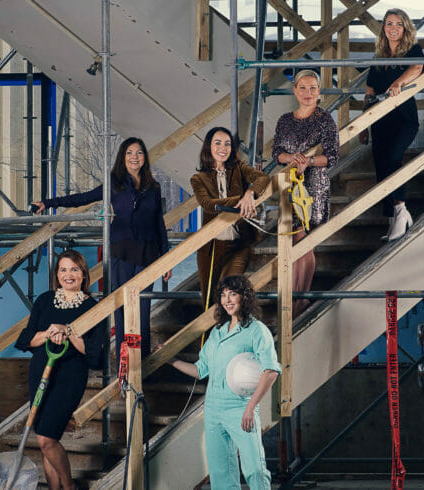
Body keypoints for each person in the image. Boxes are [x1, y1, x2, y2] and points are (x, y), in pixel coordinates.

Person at [32, 137, 171, 361]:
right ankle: (123, 367)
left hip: (147, 255)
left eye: (139, 153)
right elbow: (83, 198)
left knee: (142, 311)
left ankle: (142, 365)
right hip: (120, 253)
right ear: (122, 157)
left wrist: (166, 260)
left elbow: (159, 225)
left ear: (145, 158)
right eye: (129, 153)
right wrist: (49, 203)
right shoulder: (114, 183)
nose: (134, 157)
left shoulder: (153, 188)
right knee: (123, 309)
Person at [165, 275, 281, 489]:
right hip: (214, 409)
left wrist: (251, 406)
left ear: (244, 298)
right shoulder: (217, 332)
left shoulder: (257, 331)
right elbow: (200, 370)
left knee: (255, 469)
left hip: (241, 407)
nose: (227, 300)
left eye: (233, 294)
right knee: (221, 474)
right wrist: (171, 360)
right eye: (223, 295)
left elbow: (271, 371)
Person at [14, 250, 107, 490]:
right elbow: (26, 340)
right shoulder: (44, 301)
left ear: (83, 275)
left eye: (74, 269)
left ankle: (69, 487)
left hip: (69, 377)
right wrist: (47, 333)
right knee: (47, 439)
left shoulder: (92, 308)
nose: (69, 275)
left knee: (46, 439)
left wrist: (69, 332)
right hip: (40, 373)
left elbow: (94, 353)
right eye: (63, 269)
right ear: (57, 274)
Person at [272, 69, 339, 318]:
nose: (308, 93)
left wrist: (308, 161)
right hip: (290, 185)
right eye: (303, 87)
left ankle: (301, 298)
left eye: (313, 88)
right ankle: (294, 297)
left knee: (304, 241)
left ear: (319, 92)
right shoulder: (284, 120)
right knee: (292, 240)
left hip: (314, 186)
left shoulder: (325, 120)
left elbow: (332, 156)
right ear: (295, 90)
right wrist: (291, 158)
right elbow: (276, 152)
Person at [360, 8, 424, 241]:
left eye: (398, 24)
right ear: (383, 28)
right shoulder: (378, 57)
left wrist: (398, 83)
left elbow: (417, 69)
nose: (393, 28)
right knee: (381, 167)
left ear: (405, 27)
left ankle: (401, 210)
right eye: (389, 23)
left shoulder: (413, 50)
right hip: (379, 120)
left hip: (404, 118)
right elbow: (369, 92)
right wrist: (363, 124)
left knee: (392, 159)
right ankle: (393, 219)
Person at [190, 127, 270, 309]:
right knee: (210, 303)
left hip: (238, 245)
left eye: (227, 144)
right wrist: (241, 199)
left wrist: (250, 193)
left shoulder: (239, 168)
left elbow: (263, 178)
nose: (222, 148)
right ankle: (215, 337)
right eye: (217, 143)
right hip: (210, 250)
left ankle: (233, 334)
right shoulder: (198, 178)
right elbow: (208, 204)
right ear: (208, 147)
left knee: (229, 290)